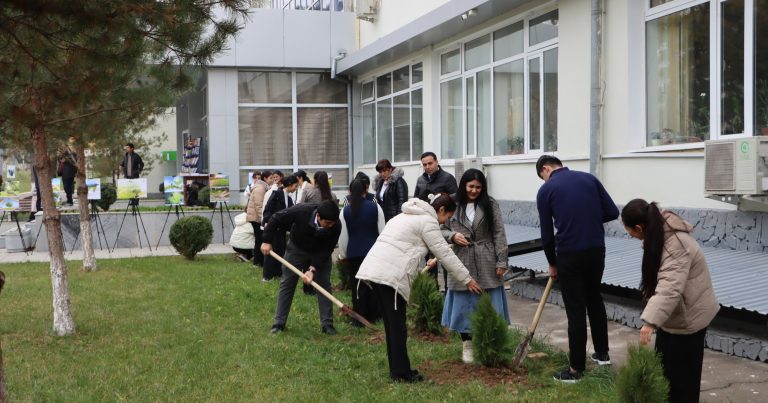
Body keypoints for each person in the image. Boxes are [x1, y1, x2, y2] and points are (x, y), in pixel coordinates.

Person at [356, 194, 482, 383]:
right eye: (447, 218)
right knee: (397, 326)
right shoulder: (427, 222)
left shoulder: (402, 216)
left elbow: (406, 246)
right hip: (390, 277)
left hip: (375, 271)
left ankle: (398, 370)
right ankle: (401, 373)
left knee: (392, 325)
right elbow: (445, 253)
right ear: (441, 211)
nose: (445, 222)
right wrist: (467, 279)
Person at [621, 199, 719, 403]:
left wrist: (649, 322)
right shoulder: (658, 232)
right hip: (673, 317)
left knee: (683, 381)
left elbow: (670, 288)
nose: (634, 238)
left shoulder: (676, 245)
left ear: (640, 227)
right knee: (665, 373)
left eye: (632, 233)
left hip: (689, 317)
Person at [535, 155, 619, 383]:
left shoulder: (547, 190)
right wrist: (587, 217)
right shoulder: (589, 179)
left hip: (569, 254)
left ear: (545, 169)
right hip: (596, 250)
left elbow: (546, 235)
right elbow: (613, 212)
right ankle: (602, 354)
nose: (544, 180)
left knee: (575, 309)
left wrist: (552, 262)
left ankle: (575, 370)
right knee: (594, 299)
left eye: (542, 177)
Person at [441, 169, 508, 364]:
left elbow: (499, 232)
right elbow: (440, 228)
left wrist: (502, 260)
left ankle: (490, 343)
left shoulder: (490, 204)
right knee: (463, 304)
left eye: (478, 187)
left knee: (489, 301)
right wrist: (452, 236)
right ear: (463, 185)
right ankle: (467, 344)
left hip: (486, 257)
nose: (474, 190)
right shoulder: (452, 203)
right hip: (460, 259)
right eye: (470, 186)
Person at [261, 201, 342, 335]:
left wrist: (312, 269)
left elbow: (327, 249)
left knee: (323, 285)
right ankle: (279, 323)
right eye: (327, 223)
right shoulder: (301, 211)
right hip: (296, 249)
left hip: (320, 252)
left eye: (332, 223)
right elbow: (276, 218)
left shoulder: (336, 226)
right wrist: (266, 240)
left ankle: (327, 325)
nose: (330, 226)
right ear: (318, 216)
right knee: (287, 283)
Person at [338, 179, 385, 326]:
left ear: (349, 192)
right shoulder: (376, 207)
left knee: (358, 285)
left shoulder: (345, 210)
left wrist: (343, 254)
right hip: (374, 251)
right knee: (375, 284)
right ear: (366, 189)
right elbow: (382, 231)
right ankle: (376, 314)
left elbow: (343, 236)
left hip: (354, 252)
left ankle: (359, 316)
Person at [261, 175, 299, 281]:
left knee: (280, 251)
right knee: (271, 251)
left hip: (282, 229)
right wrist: (268, 223)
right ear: (290, 184)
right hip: (273, 228)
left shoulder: (290, 198)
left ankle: (278, 273)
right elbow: (267, 210)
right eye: (295, 186)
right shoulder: (277, 194)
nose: (296, 189)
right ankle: (267, 276)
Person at [246, 170, 271, 268]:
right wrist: (263, 219)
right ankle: (257, 262)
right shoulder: (260, 188)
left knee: (259, 239)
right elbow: (259, 205)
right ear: (265, 178)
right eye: (270, 178)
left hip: (256, 217)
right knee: (260, 240)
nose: (272, 180)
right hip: (256, 218)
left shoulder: (262, 187)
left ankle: (258, 262)